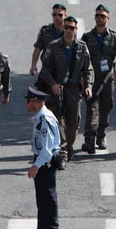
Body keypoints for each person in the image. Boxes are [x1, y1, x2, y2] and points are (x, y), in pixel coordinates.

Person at [36, 15, 92, 162]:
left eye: (71, 28)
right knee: (58, 121)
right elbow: (45, 70)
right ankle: (63, 151)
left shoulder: (82, 47)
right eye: (66, 27)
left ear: (76, 29)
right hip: (57, 90)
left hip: (74, 90)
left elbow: (88, 70)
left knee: (73, 124)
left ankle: (69, 144)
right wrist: (53, 84)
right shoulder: (54, 46)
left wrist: (88, 86)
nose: (68, 30)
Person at [81, 4, 116, 153]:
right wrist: (82, 77)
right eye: (97, 15)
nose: (99, 18)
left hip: (108, 78)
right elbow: (81, 57)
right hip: (92, 78)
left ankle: (101, 134)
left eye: (102, 16)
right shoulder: (87, 37)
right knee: (92, 107)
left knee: (106, 106)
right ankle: (90, 138)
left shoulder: (114, 37)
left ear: (108, 18)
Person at [25, 86, 61, 229]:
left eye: (28, 101)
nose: (26, 104)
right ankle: (42, 227)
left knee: (48, 196)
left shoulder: (45, 119)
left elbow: (47, 150)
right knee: (41, 196)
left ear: (36, 102)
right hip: (41, 159)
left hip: (46, 161)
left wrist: (35, 166)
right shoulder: (39, 117)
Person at [30, 3, 67, 76]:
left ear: (65, 15)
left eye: (60, 15)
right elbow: (38, 48)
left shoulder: (69, 30)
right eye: (54, 15)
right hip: (47, 68)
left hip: (64, 69)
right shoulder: (45, 30)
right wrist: (33, 65)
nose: (57, 17)